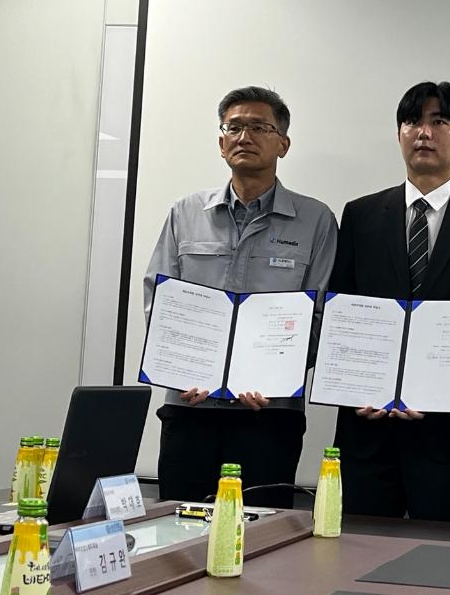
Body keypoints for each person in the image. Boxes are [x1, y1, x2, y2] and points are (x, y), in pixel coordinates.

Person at [330, 81, 450, 522]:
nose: (424, 132)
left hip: (449, 430)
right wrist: (356, 387)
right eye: (412, 121)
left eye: (439, 122)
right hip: (368, 424)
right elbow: (344, 312)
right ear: (399, 133)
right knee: (361, 551)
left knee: (442, 553)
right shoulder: (360, 215)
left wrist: (440, 389)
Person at [144, 86, 337, 506]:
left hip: (270, 413)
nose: (244, 137)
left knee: (264, 532)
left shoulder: (315, 220)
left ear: (283, 144)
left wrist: (275, 376)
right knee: (181, 526)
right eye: (234, 127)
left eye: (259, 127)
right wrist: (179, 369)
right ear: (221, 142)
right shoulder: (185, 213)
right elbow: (159, 300)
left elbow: (322, 314)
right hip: (191, 407)